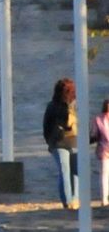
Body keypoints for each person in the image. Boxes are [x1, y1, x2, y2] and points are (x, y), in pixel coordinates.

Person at [43, 77, 78, 209]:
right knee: (65, 170)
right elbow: (46, 126)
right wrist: (51, 141)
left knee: (75, 171)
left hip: (74, 141)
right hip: (59, 142)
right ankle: (67, 201)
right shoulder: (53, 106)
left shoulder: (75, 106)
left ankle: (75, 199)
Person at [93, 99, 109, 207]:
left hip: (103, 150)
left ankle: (104, 199)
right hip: (104, 150)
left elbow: (94, 135)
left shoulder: (98, 119)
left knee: (104, 176)